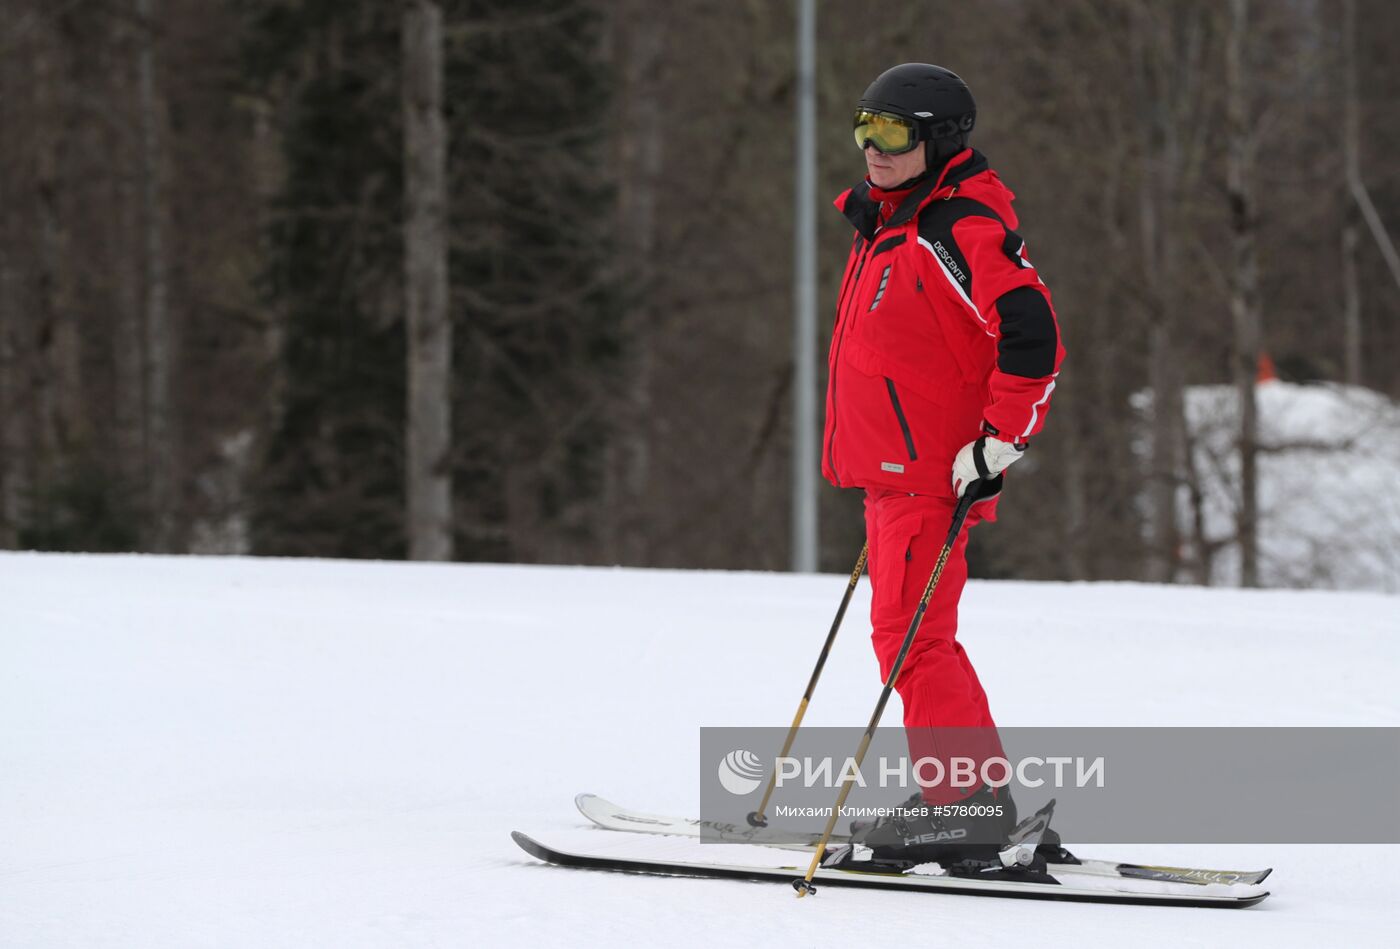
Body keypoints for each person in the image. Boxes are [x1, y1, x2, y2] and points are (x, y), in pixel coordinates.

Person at [822, 64, 1065, 868]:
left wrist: (1002, 440)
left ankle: (964, 806)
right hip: (893, 469)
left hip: (933, 473)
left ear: (939, 140)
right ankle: (971, 794)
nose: (871, 146)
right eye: (864, 126)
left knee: (911, 636)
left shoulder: (954, 225)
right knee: (912, 634)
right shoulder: (894, 220)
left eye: (893, 132)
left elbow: (1033, 331)